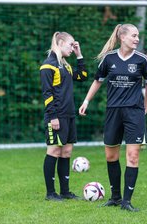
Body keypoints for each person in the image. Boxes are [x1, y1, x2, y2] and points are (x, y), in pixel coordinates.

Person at [79, 24, 147, 212]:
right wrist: (86, 101)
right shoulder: (108, 58)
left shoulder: (142, 60)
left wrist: (146, 105)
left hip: (134, 112)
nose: (137, 39)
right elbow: (97, 81)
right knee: (111, 155)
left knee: (133, 156)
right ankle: (115, 197)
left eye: (138, 36)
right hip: (113, 111)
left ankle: (126, 202)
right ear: (122, 37)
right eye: (134, 36)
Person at [40, 31, 88, 201]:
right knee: (54, 150)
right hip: (56, 116)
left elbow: (82, 76)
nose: (72, 47)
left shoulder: (66, 66)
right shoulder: (48, 65)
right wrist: (53, 117)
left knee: (66, 151)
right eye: (70, 44)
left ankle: (65, 192)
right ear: (60, 44)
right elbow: (47, 94)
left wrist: (79, 54)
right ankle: (50, 193)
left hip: (69, 115)